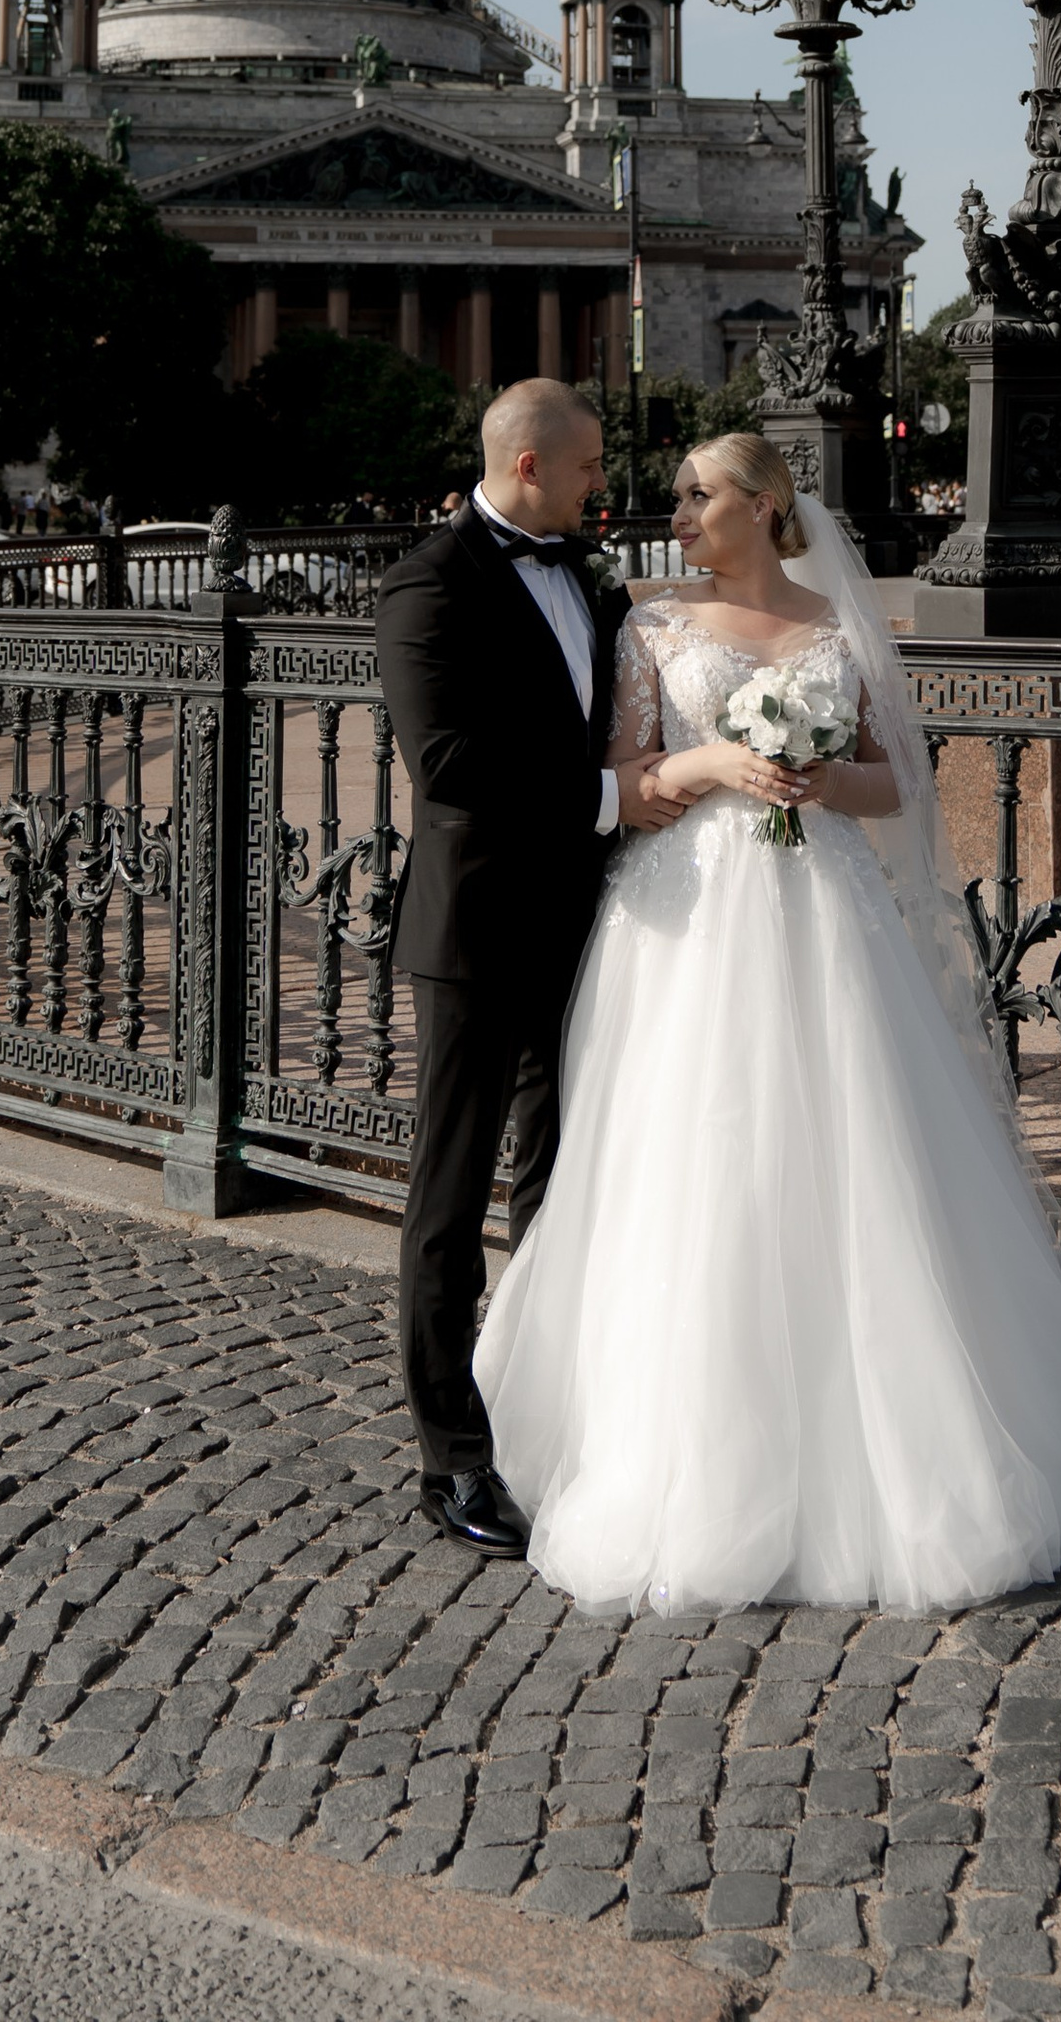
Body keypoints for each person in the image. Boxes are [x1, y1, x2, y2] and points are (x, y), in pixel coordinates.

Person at [474, 431, 1061, 1613]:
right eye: (674, 492)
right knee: (697, 1163)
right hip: (695, 921)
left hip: (825, 914)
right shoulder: (652, 625)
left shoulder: (839, 626)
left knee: (855, 1154)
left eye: (696, 493)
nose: (677, 509)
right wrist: (715, 763)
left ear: (763, 507)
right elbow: (629, 779)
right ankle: (684, 1455)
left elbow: (889, 782)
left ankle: (895, 1459)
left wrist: (814, 779)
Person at [375, 379, 689, 1558]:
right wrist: (615, 798)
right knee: (447, 1201)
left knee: (560, 1180)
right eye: (589, 468)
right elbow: (449, 764)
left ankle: (550, 1413)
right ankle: (450, 1457)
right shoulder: (427, 584)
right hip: (473, 935)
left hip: (585, 923)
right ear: (526, 472)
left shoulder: (591, 581)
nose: (603, 483)